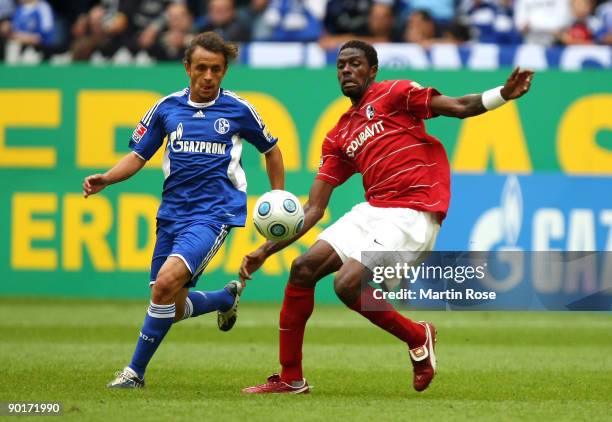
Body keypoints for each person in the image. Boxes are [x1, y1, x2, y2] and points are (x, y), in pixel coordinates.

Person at [239, 40, 533, 394]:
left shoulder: (395, 94)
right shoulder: (338, 135)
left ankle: (416, 336)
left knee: (346, 285)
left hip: (411, 212)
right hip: (374, 210)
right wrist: (265, 250)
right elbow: (314, 208)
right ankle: (291, 378)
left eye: (355, 64)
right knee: (302, 270)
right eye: (341, 65)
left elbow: (457, 106)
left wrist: (502, 93)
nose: (347, 70)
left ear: (372, 70)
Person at [82, 31, 285, 388]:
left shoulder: (238, 109)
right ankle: (225, 297)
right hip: (172, 214)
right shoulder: (166, 108)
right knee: (171, 306)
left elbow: (271, 148)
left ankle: (134, 373)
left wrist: (278, 197)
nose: (209, 77)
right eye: (202, 68)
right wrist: (108, 179)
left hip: (214, 214)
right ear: (187, 68)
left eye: (217, 70)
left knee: (164, 286)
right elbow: (138, 154)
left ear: (224, 71)